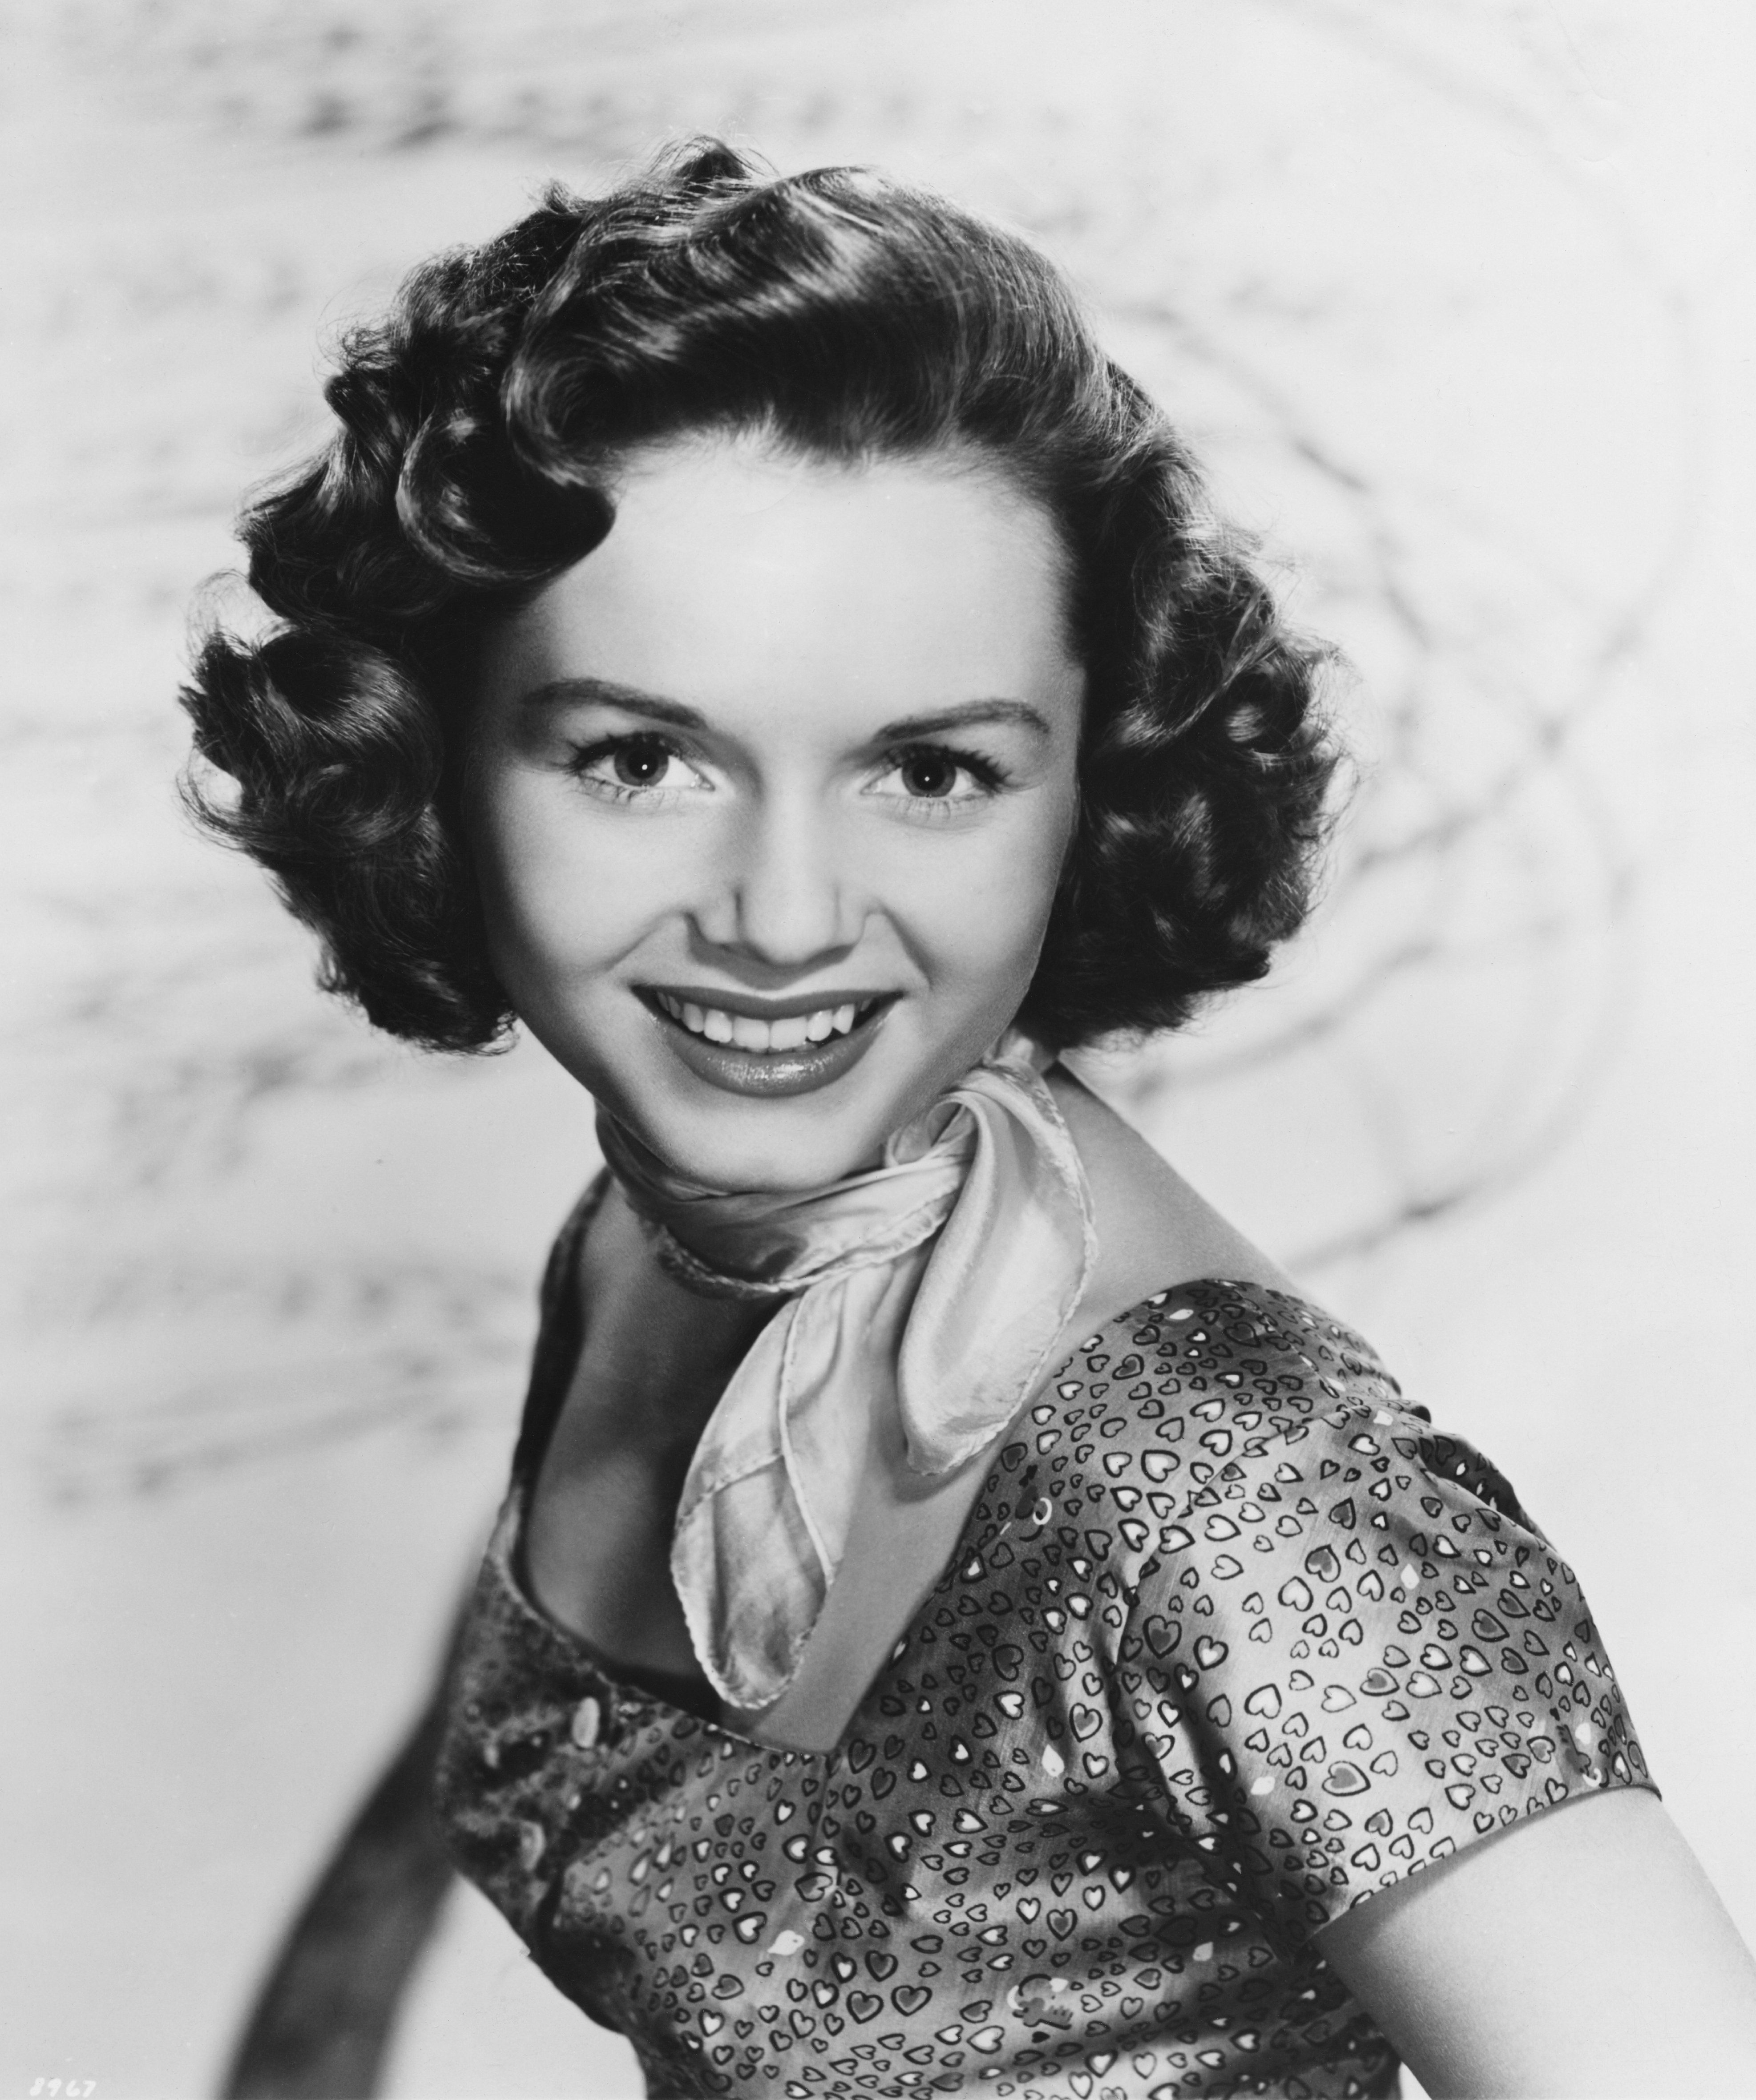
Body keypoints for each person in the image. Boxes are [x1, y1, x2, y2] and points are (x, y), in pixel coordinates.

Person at [182, 140, 1756, 2100]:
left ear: (1089, 788)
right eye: (644, 755)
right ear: (438, 764)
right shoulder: (651, 1239)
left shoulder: (1232, 1500)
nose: (780, 919)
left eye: (927, 769)